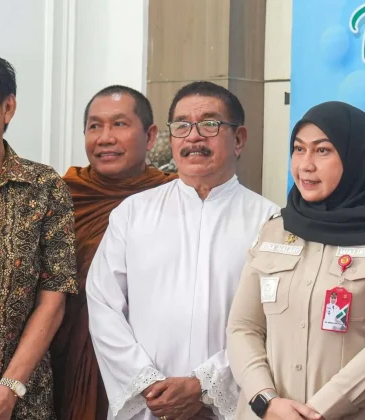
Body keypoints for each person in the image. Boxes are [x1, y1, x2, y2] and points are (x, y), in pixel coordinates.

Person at [226, 101, 365, 420]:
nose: (305, 165)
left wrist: (315, 413)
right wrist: (265, 400)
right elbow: (243, 327)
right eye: (299, 149)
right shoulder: (274, 231)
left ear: (356, 159)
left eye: (322, 151)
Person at [86, 81, 279, 420]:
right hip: (148, 405)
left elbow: (275, 323)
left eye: (209, 124)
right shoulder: (132, 213)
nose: (193, 137)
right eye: (182, 126)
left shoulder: (270, 222)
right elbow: (103, 305)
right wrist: (148, 384)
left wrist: (204, 387)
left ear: (238, 139)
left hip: (231, 407)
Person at [0, 50, 77, 419]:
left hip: (20, 402)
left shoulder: (44, 187)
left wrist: (6, 392)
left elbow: (53, 300)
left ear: (7, 107)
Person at [51, 85, 177, 420]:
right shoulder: (61, 197)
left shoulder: (176, 199)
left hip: (150, 362)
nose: (105, 138)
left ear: (150, 136)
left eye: (119, 124)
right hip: (65, 355)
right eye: (95, 126)